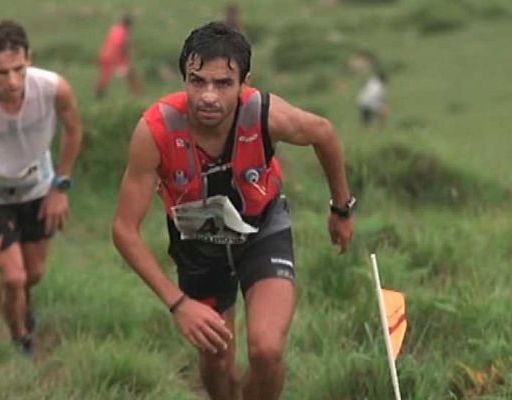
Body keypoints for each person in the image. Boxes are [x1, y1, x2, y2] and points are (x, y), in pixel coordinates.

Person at [112, 22, 355, 400]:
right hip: (198, 248)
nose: (208, 96)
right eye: (197, 81)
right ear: (184, 79)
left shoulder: (264, 115)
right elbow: (124, 230)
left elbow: (323, 132)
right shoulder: (155, 131)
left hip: (262, 231)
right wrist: (178, 304)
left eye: (223, 83)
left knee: (267, 350)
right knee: (216, 360)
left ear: (244, 82)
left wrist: (341, 207)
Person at [0, 20, 83, 355]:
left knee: (33, 274)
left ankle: (13, 300)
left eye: (19, 69)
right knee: (14, 277)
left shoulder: (54, 88)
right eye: (1, 73)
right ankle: (21, 340)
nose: (12, 82)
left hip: (37, 185)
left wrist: (59, 186)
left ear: (29, 59)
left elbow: (74, 131)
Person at [94, 13, 141, 98]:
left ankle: (98, 96)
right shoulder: (124, 32)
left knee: (104, 78)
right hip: (115, 58)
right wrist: (127, 59)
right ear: (129, 24)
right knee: (131, 75)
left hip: (105, 55)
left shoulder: (114, 29)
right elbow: (122, 46)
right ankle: (136, 96)